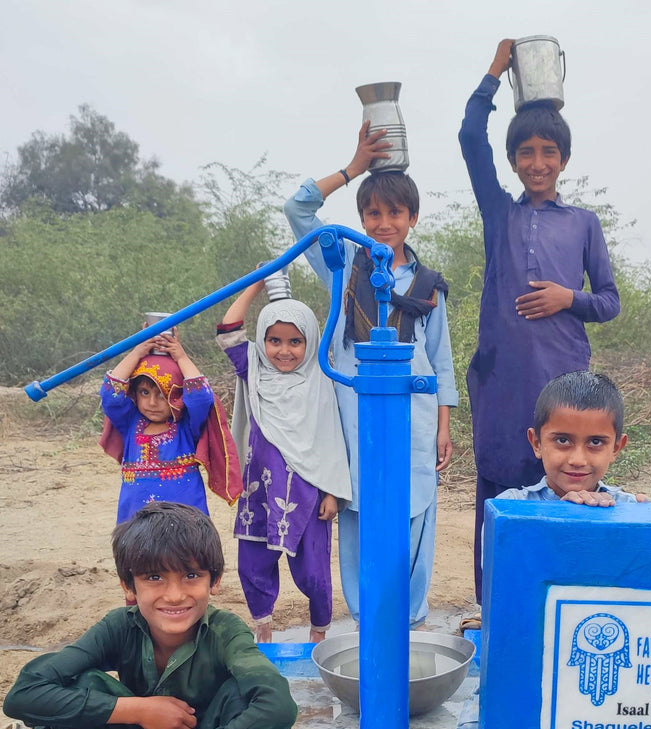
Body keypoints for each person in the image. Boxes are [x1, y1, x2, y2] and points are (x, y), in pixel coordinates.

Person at [3, 502, 297, 729]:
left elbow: (278, 705)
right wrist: (137, 710)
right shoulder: (118, 627)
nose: (174, 595)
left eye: (191, 576)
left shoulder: (226, 631)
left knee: (246, 697)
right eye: (154, 578)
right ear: (129, 586)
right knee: (80, 686)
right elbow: (24, 694)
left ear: (214, 580)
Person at [456, 371, 651, 729]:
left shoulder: (632, 508)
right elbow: (507, 588)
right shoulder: (509, 509)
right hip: (525, 666)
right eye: (562, 440)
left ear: (618, 447)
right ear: (536, 443)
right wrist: (567, 517)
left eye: (595, 443)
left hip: (612, 668)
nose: (578, 458)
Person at [459, 39, 622, 605]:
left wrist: (565, 297)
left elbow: (608, 301)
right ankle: (495, 607)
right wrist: (494, 74)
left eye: (548, 151)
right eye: (525, 152)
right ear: (512, 161)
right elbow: (468, 138)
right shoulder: (499, 213)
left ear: (564, 160)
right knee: (499, 497)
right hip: (501, 382)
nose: (537, 163)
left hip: (562, 383)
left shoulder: (582, 223)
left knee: (569, 489)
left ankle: (565, 599)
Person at [284, 127, 459, 629]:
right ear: (361, 218)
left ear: (413, 218)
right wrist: (354, 167)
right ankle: (366, 621)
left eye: (394, 214)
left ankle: (413, 619)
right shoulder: (341, 264)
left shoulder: (428, 286)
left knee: (415, 507)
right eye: (373, 214)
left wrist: (444, 423)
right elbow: (296, 211)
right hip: (353, 412)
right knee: (357, 506)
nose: (383, 224)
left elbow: (439, 358)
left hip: (415, 414)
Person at [216, 284, 351, 644]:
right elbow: (227, 331)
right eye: (274, 340)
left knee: (313, 573)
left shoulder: (321, 382)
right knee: (253, 565)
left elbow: (331, 440)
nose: (284, 351)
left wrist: (332, 493)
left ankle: (319, 633)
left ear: (310, 343)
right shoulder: (255, 370)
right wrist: (256, 284)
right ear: (262, 341)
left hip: (307, 494)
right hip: (259, 491)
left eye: (295, 342)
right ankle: (263, 629)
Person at [100, 326, 241, 524]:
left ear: (177, 396)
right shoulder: (130, 422)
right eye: (144, 392)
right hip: (136, 523)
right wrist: (137, 351)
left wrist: (181, 358)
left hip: (184, 524)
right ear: (135, 393)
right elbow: (110, 394)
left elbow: (201, 397)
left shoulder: (186, 425)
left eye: (162, 395)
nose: (152, 403)